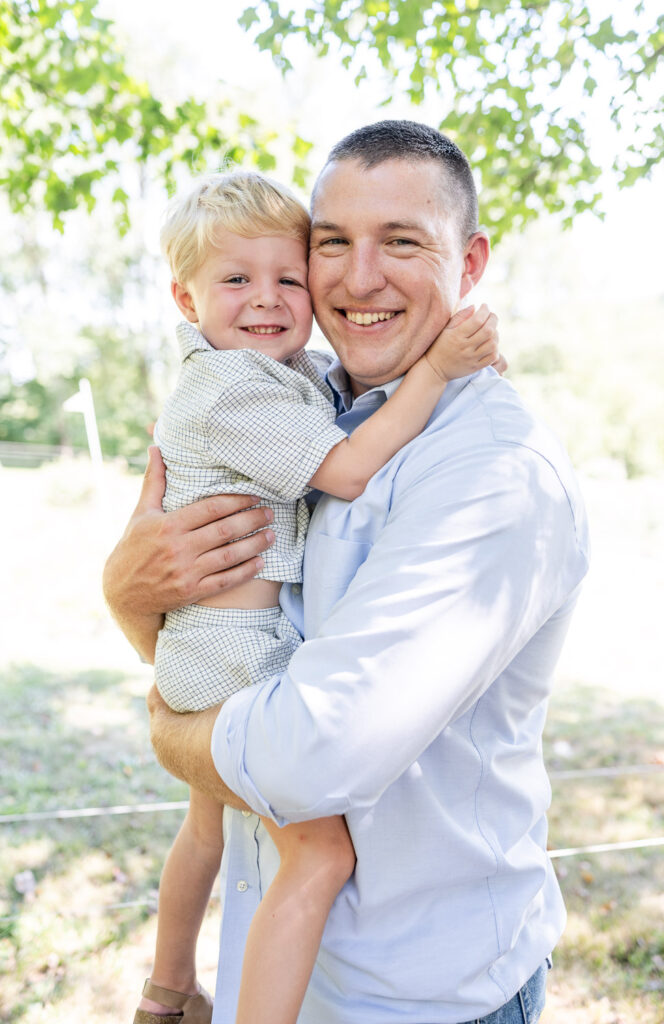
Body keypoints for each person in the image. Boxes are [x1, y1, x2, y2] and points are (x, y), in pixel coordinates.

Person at [103, 120, 589, 1024]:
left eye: (400, 242)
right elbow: (210, 607)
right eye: (330, 245)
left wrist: (170, 729)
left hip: (415, 995)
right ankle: (168, 989)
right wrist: (126, 595)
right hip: (290, 975)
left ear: (469, 264)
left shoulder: (492, 476)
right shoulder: (311, 397)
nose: (358, 279)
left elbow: (307, 755)